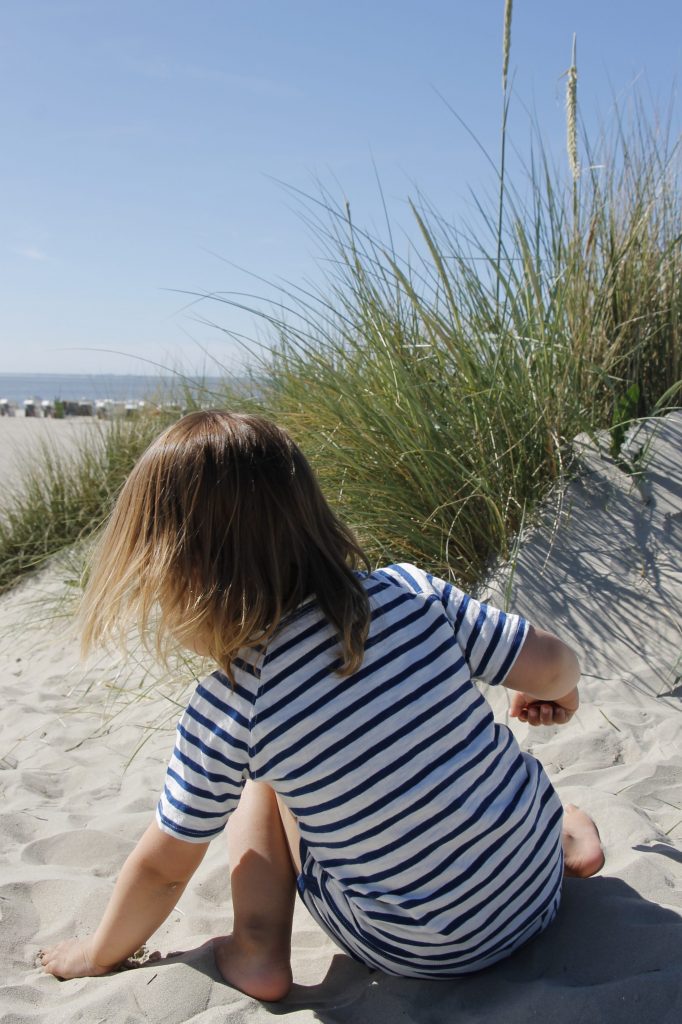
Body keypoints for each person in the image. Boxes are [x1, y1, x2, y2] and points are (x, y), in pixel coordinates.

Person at [40, 410, 604, 1000]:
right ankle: (563, 836)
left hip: (421, 947)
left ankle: (257, 947)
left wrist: (95, 953)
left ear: (183, 573)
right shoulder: (412, 592)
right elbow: (557, 665)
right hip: (538, 890)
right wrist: (556, 694)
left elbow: (163, 869)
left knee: (263, 778)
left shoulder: (236, 705)